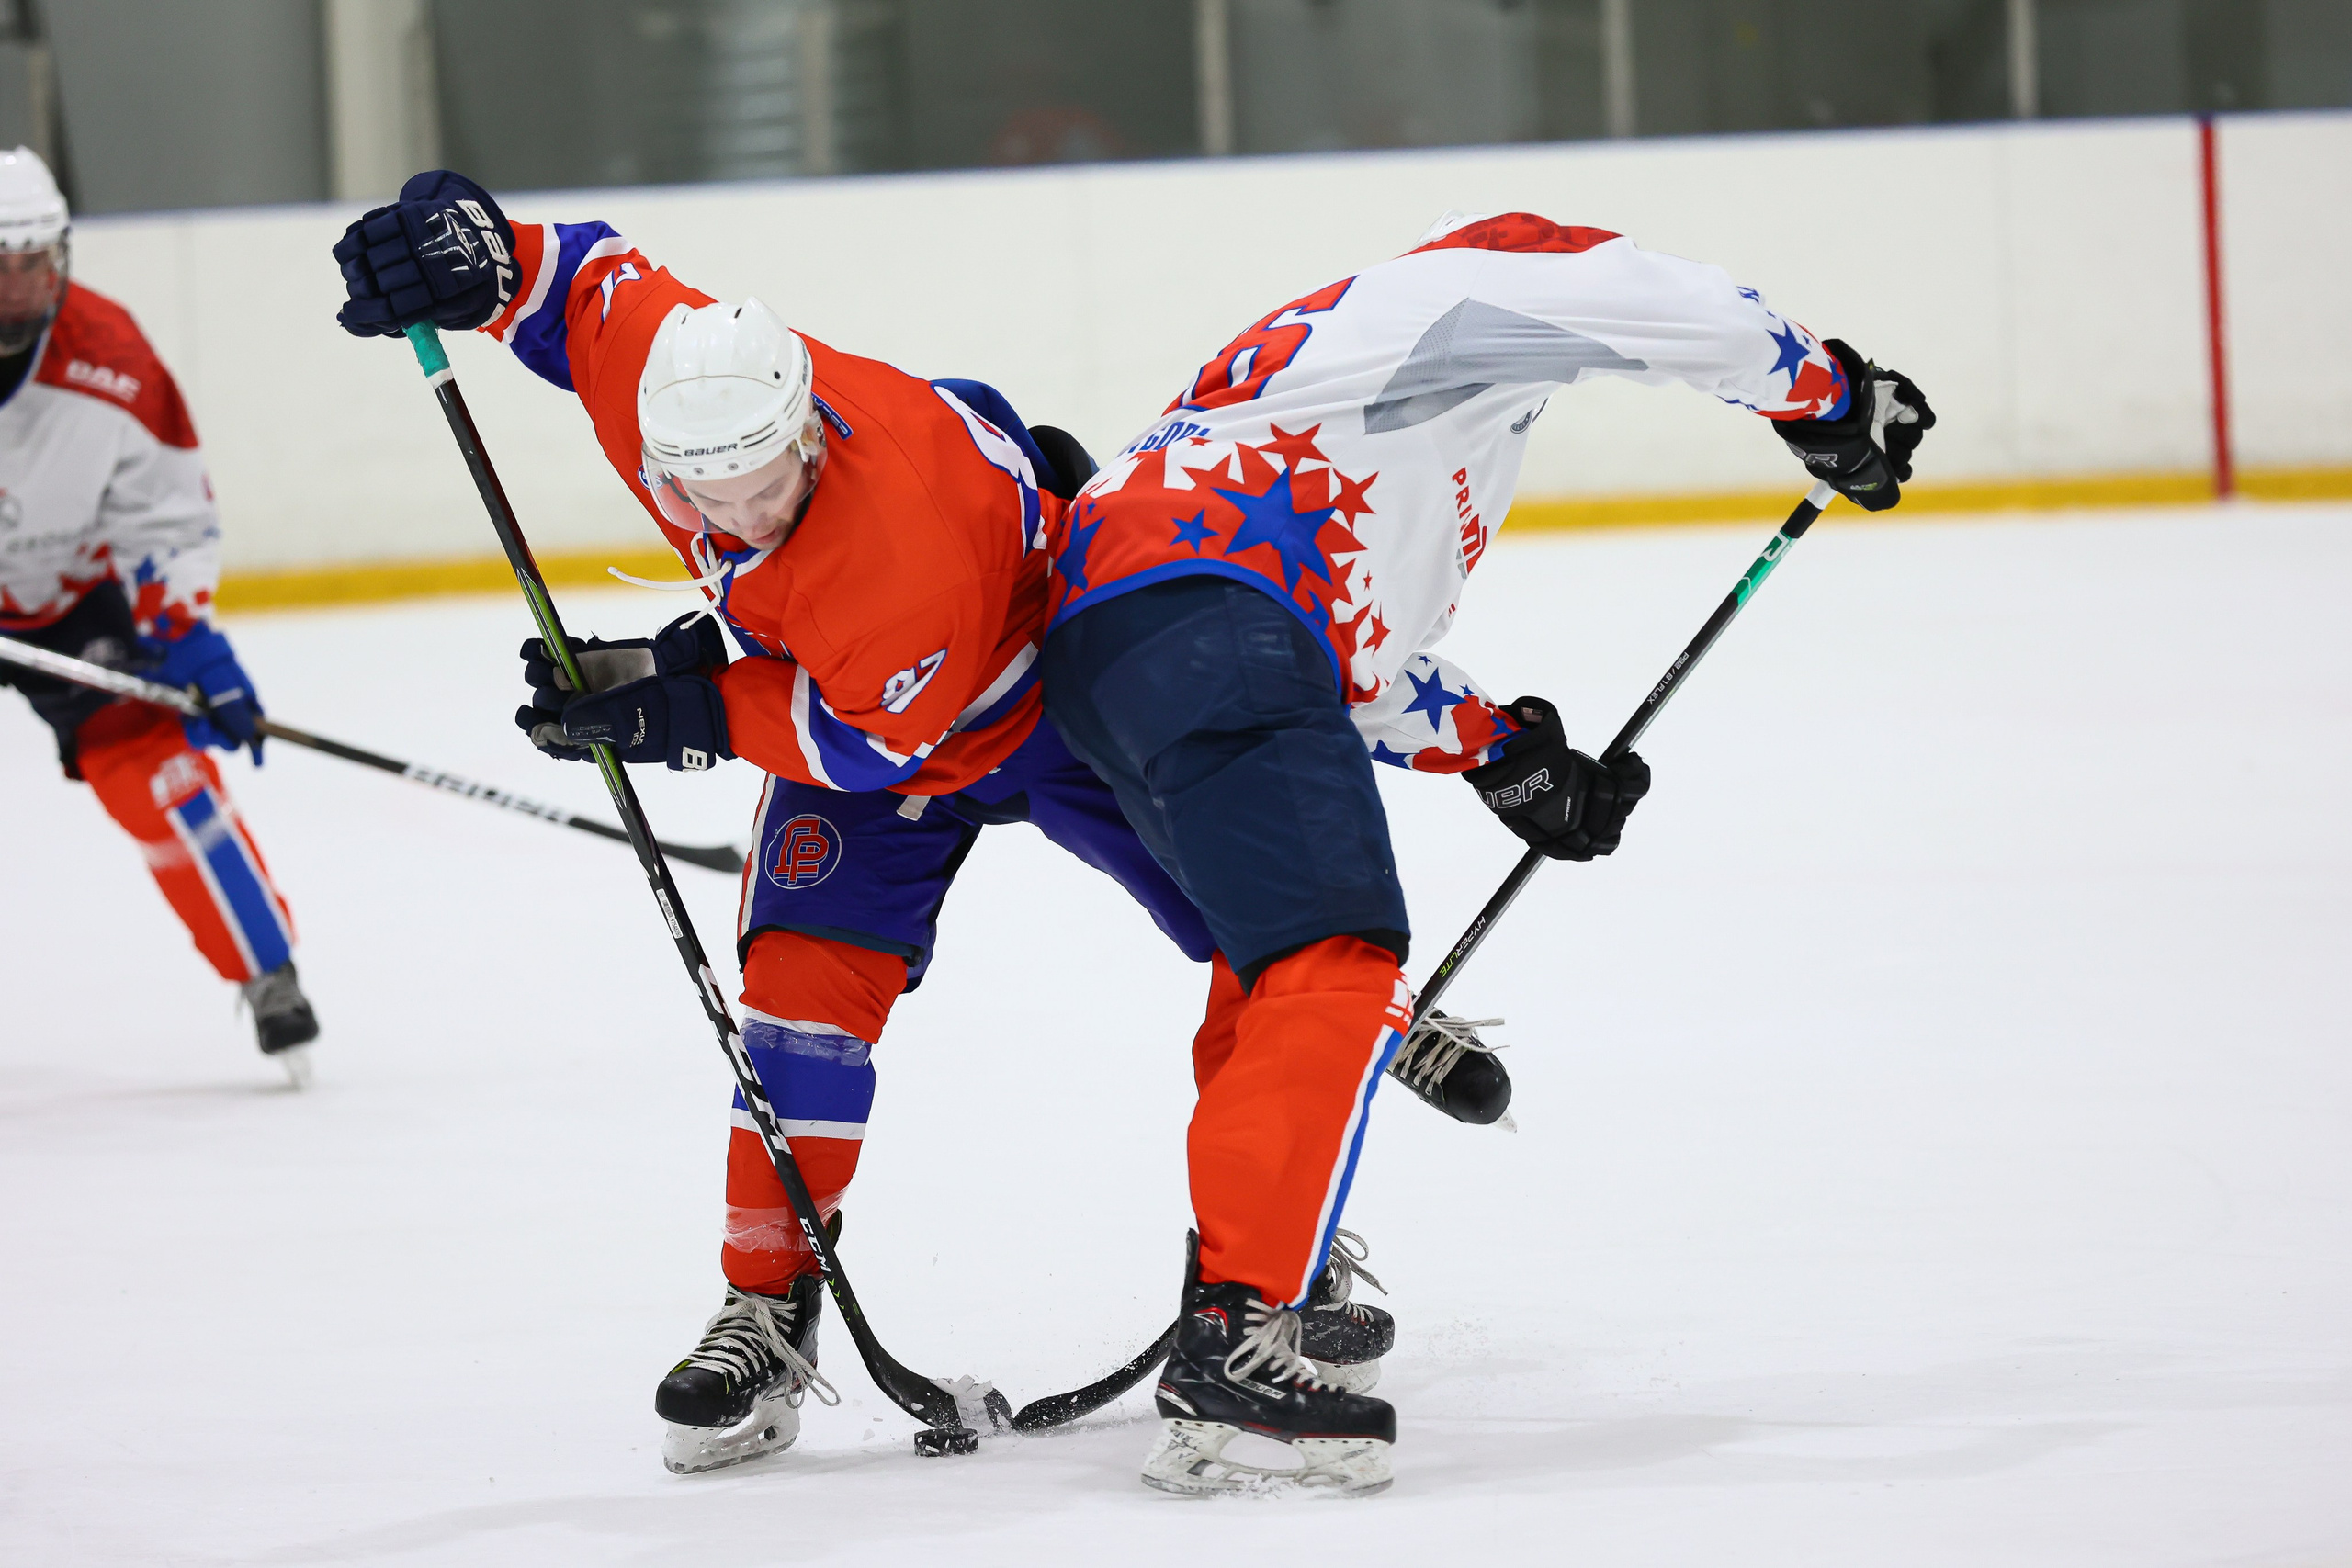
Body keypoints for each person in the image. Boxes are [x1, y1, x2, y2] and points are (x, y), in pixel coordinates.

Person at [328, 172, 1399, 1473]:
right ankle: (767, 1311)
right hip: (868, 701)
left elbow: (859, 736)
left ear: (811, 432)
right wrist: (478, 252)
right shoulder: (685, 379)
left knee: (1272, 944)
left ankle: (1284, 1249)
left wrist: (678, 710)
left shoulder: (896, 553)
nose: (732, 516)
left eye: (761, 483)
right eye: (699, 491)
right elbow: (572, 284)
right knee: (799, 994)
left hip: (1046, 696)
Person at [1039, 209, 1936, 1495]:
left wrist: (1507, 755)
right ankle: (1235, 1334)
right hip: (1206, 622)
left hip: (1140, 643)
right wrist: (1830, 392)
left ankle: (1256, 1273)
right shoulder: (1438, 306)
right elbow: (1657, 305)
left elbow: (1344, 641)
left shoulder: (1375, 401)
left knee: (1269, 963)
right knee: (1333, 960)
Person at [0, 147, 318, 1078]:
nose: (21, 289)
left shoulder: (113, 361)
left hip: (68, 597)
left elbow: (168, 517)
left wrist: (183, 631)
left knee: (164, 775)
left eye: (37, 261)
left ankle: (268, 975)